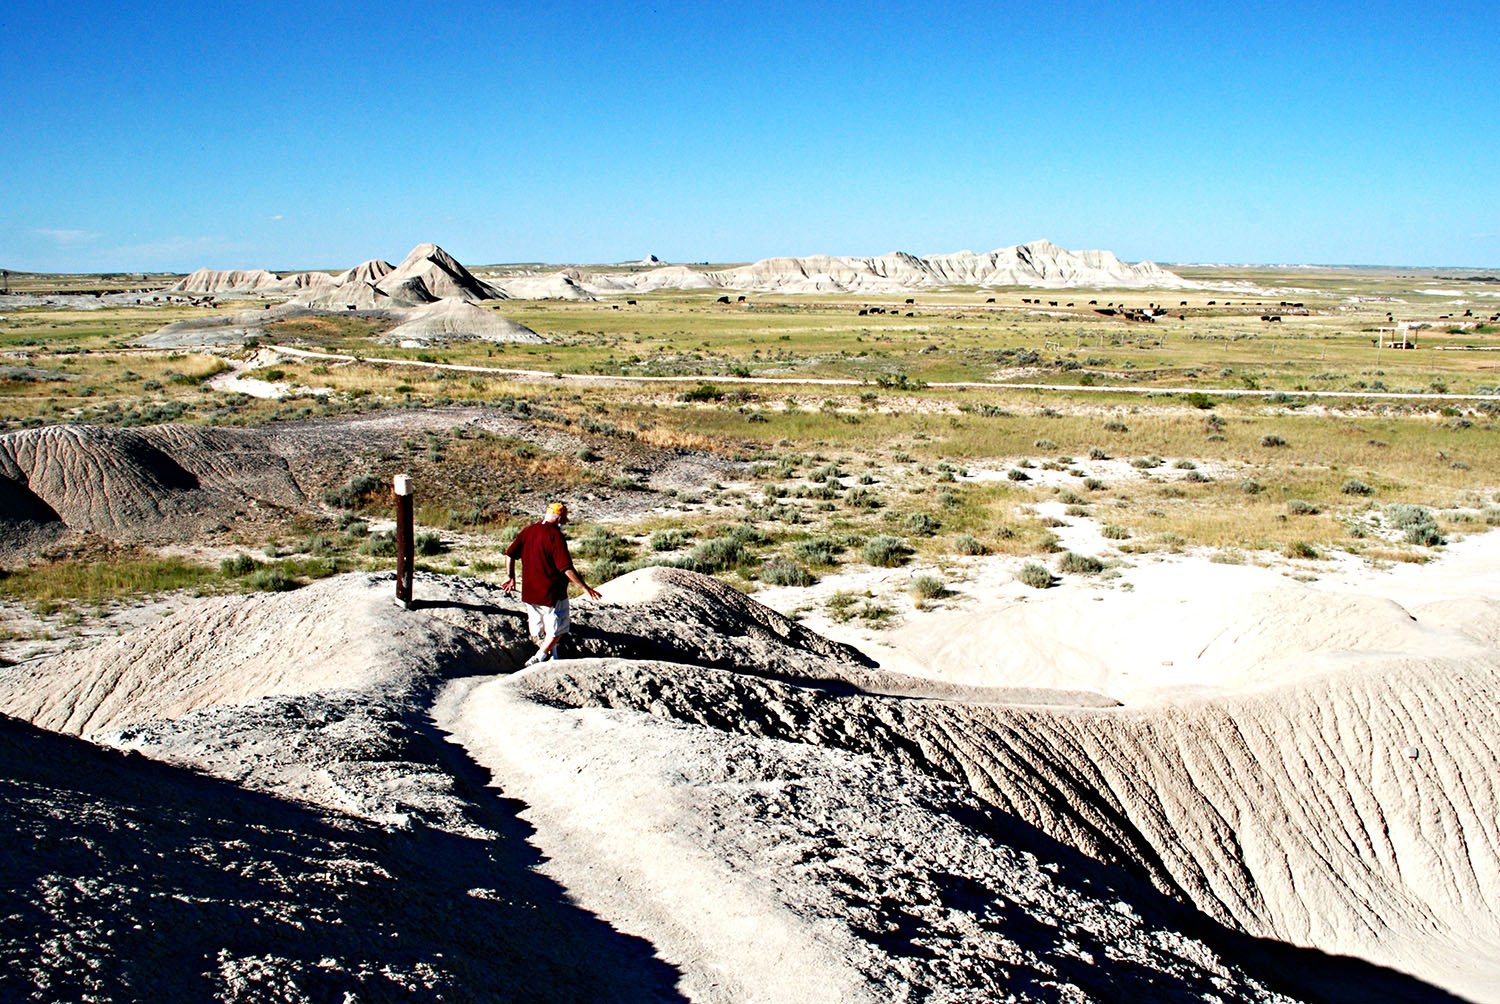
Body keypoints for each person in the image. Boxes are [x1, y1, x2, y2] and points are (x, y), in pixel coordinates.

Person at [501, 502, 600, 666]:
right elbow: (566, 568)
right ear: (559, 518)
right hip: (552, 594)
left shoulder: (528, 530)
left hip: (530, 593)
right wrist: (585, 588)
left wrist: (510, 576)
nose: (563, 524)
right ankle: (539, 657)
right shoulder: (555, 536)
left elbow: (509, 554)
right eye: (563, 520)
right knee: (557, 629)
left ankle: (554, 657)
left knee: (542, 628)